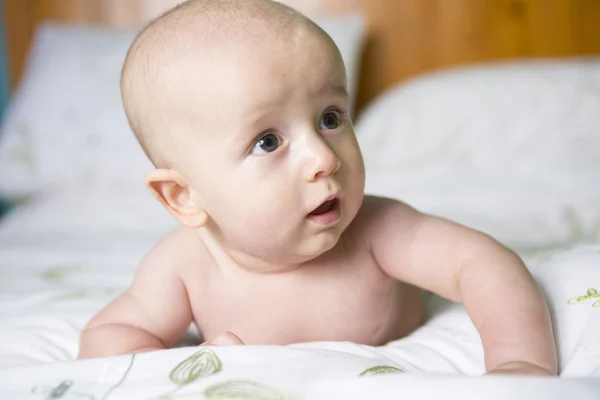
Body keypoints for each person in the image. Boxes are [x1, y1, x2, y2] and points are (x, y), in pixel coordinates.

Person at [78, 0, 557, 376]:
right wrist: (182, 368)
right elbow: (111, 336)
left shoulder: (378, 229)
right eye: (267, 141)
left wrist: (520, 361)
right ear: (185, 197)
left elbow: (484, 264)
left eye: (330, 118)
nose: (324, 158)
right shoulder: (183, 266)